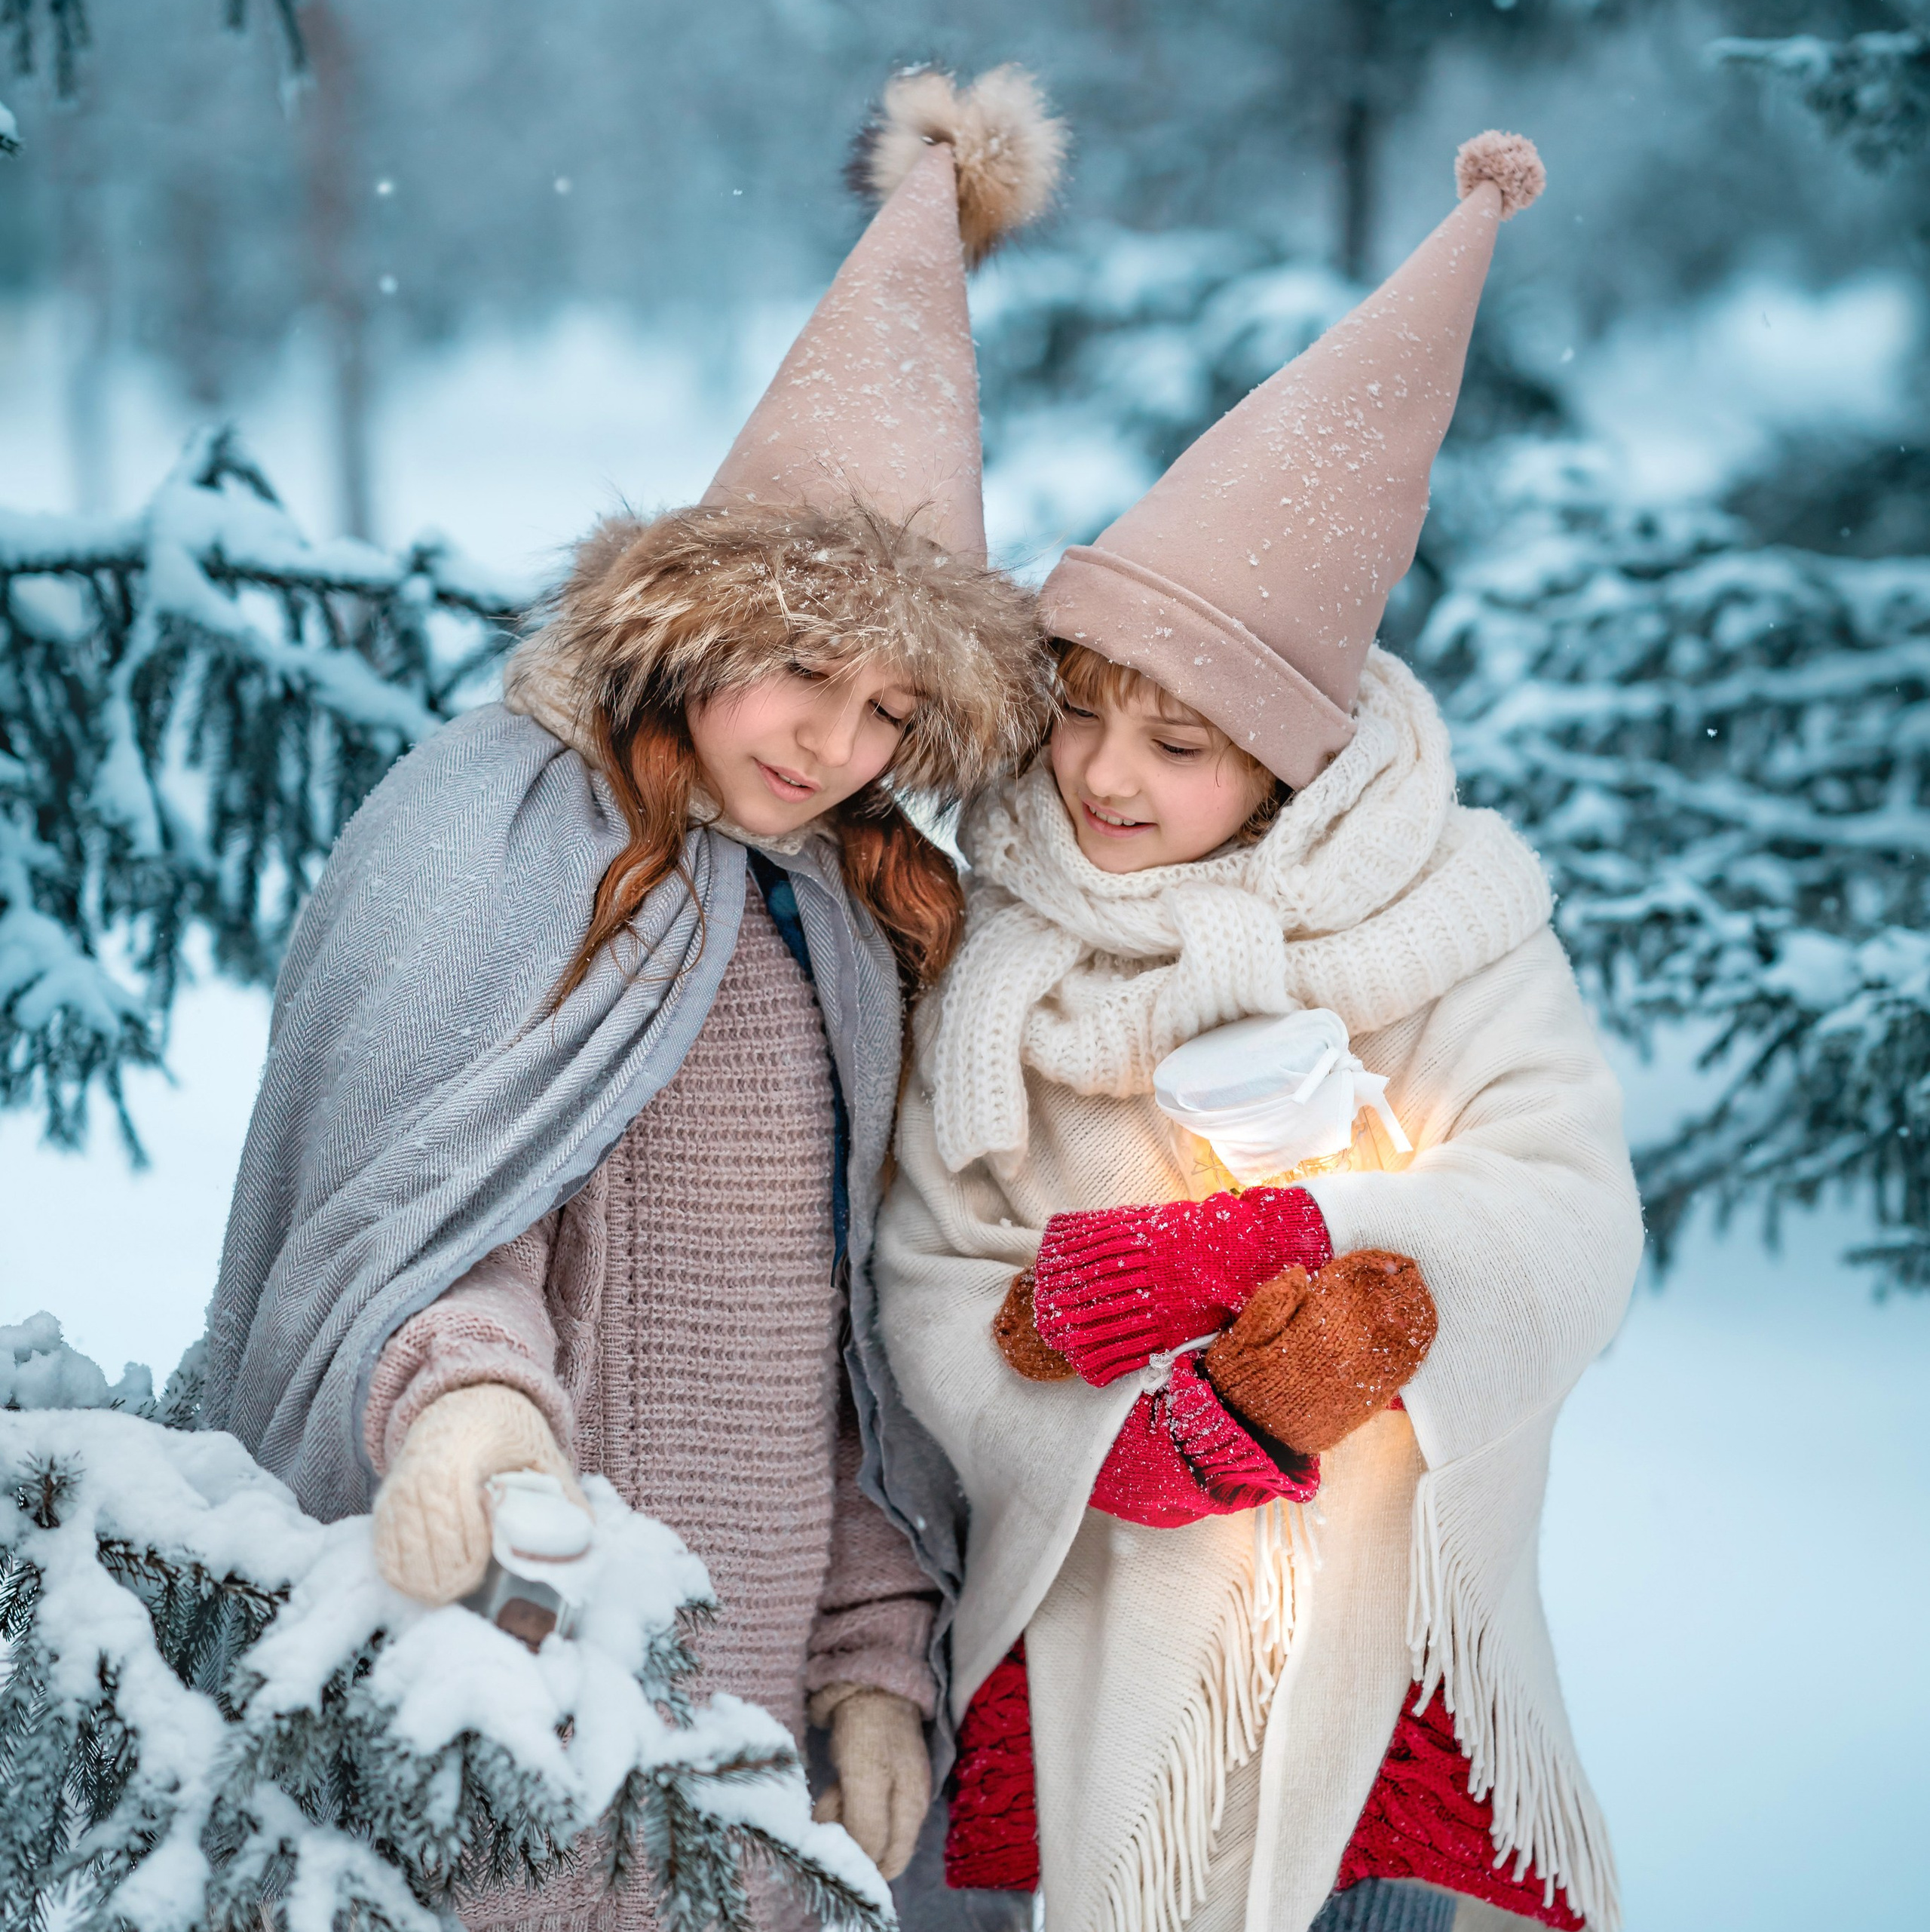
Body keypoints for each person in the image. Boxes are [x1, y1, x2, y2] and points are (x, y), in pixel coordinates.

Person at [200, 67, 1064, 1930]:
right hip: (498, 1622)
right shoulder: (493, 835)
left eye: (894, 717)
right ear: (702, 630)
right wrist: (467, 1414)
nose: (836, 748)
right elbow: (426, 1213)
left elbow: (854, 1334)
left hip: (736, 1699)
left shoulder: (841, 917)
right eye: (803, 676)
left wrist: (868, 1642)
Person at [875, 134, 1643, 1932]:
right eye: (1085, 711)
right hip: (1087, 1655)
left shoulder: (1437, 925)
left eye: (1179, 744)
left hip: (1374, 1677)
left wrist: (1301, 1242)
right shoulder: (994, 938)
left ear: (1288, 765)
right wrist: (1100, 1438)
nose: (1102, 776)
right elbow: (927, 1273)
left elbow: (1564, 1218)